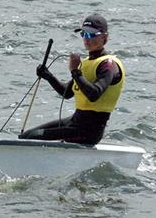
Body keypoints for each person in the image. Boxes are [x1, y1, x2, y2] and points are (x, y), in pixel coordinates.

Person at [19, 14, 125, 145]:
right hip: (74, 122)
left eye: (92, 34)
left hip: (89, 130)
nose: (87, 39)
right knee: (26, 135)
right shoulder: (86, 63)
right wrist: (48, 76)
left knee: (32, 137)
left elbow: (94, 94)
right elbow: (67, 93)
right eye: (84, 34)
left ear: (104, 37)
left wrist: (75, 71)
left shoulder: (108, 65)